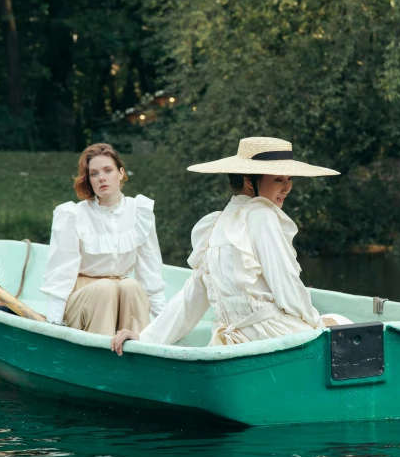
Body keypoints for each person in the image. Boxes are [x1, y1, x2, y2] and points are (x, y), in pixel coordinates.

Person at [111, 136, 350, 355]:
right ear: (249, 182)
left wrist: (146, 337)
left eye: (289, 179)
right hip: (272, 336)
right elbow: (287, 285)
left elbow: (191, 298)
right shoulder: (262, 216)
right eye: (278, 179)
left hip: (232, 341)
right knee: (342, 323)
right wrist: (316, 325)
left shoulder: (214, 224)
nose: (287, 188)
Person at [40, 143, 166, 336]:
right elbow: (61, 272)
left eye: (108, 170)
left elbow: (150, 271)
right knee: (105, 288)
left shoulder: (140, 212)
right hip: (83, 298)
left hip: (121, 296)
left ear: (121, 173)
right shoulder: (74, 214)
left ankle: (139, 350)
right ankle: (99, 354)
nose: (102, 178)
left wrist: (163, 327)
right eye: (94, 173)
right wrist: (53, 323)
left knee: (132, 286)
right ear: (89, 179)